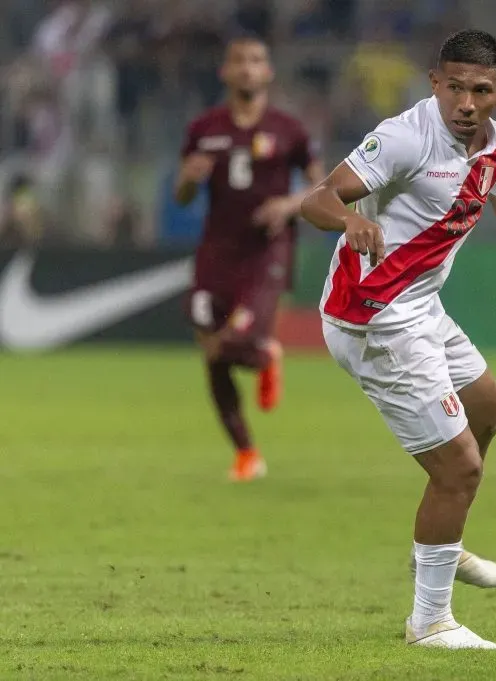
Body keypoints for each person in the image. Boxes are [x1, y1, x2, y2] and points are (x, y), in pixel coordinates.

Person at [300, 29, 496, 650]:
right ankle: (429, 622)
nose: (465, 102)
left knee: (488, 407)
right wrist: (349, 219)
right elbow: (315, 199)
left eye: (480, 90)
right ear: (435, 83)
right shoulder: (404, 137)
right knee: (459, 468)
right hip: (370, 318)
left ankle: (440, 539)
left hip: (418, 306)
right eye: (454, 87)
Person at [175, 34, 325, 482]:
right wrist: (187, 178)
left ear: (268, 72)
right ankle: (246, 453)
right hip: (216, 251)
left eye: (255, 60)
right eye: (238, 61)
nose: (246, 68)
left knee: (236, 342)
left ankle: (263, 352)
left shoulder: (288, 130)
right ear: (225, 71)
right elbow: (182, 197)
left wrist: (290, 204)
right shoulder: (204, 129)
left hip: (267, 250)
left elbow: (324, 188)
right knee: (212, 350)